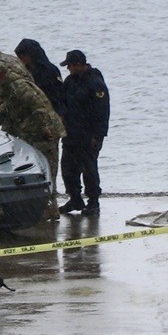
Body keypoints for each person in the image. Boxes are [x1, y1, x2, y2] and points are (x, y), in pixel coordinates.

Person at [0, 61, 66, 221]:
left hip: (45, 132)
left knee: (47, 167)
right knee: (40, 166)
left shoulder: (20, 87)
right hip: (34, 131)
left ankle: (51, 207)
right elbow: (9, 105)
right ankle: (46, 206)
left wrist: (45, 129)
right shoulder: (12, 87)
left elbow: (39, 108)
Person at [58, 49, 110, 216]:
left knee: (89, 169)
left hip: (89, 135)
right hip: (71, 133)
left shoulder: (95, 82)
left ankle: (93, 202)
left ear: (78, 64)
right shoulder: (70, 81)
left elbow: (102, 111)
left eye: (70, 65)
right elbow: (62, 102)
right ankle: (75, 199)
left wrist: (98, 135)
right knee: (67, 168)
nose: (68, 69)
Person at [14, 39, 66, 118]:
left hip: (51, 111)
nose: (22, 58)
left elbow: (59, 93)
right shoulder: (23, 71)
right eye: (20, 55)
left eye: (24, 54)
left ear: (32, 54)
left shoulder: (50, 70)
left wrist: (61, 113)